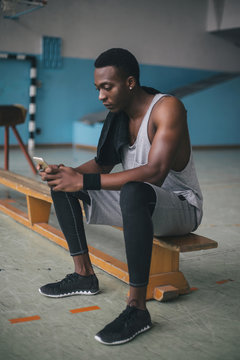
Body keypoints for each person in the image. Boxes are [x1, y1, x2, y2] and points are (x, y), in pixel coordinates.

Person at [38, 48, 203, 345]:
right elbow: (102, 165)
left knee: (133, 190)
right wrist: (66, 173)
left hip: (180, 206)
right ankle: (84, 275)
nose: (100, 95)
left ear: (129, 82)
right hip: (137, 201)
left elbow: (154, 173)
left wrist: (83, 179)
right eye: (98, 88)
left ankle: (137, 309)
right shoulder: (119, 116)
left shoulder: (168, 108)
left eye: (107, 86)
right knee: (64, 186)